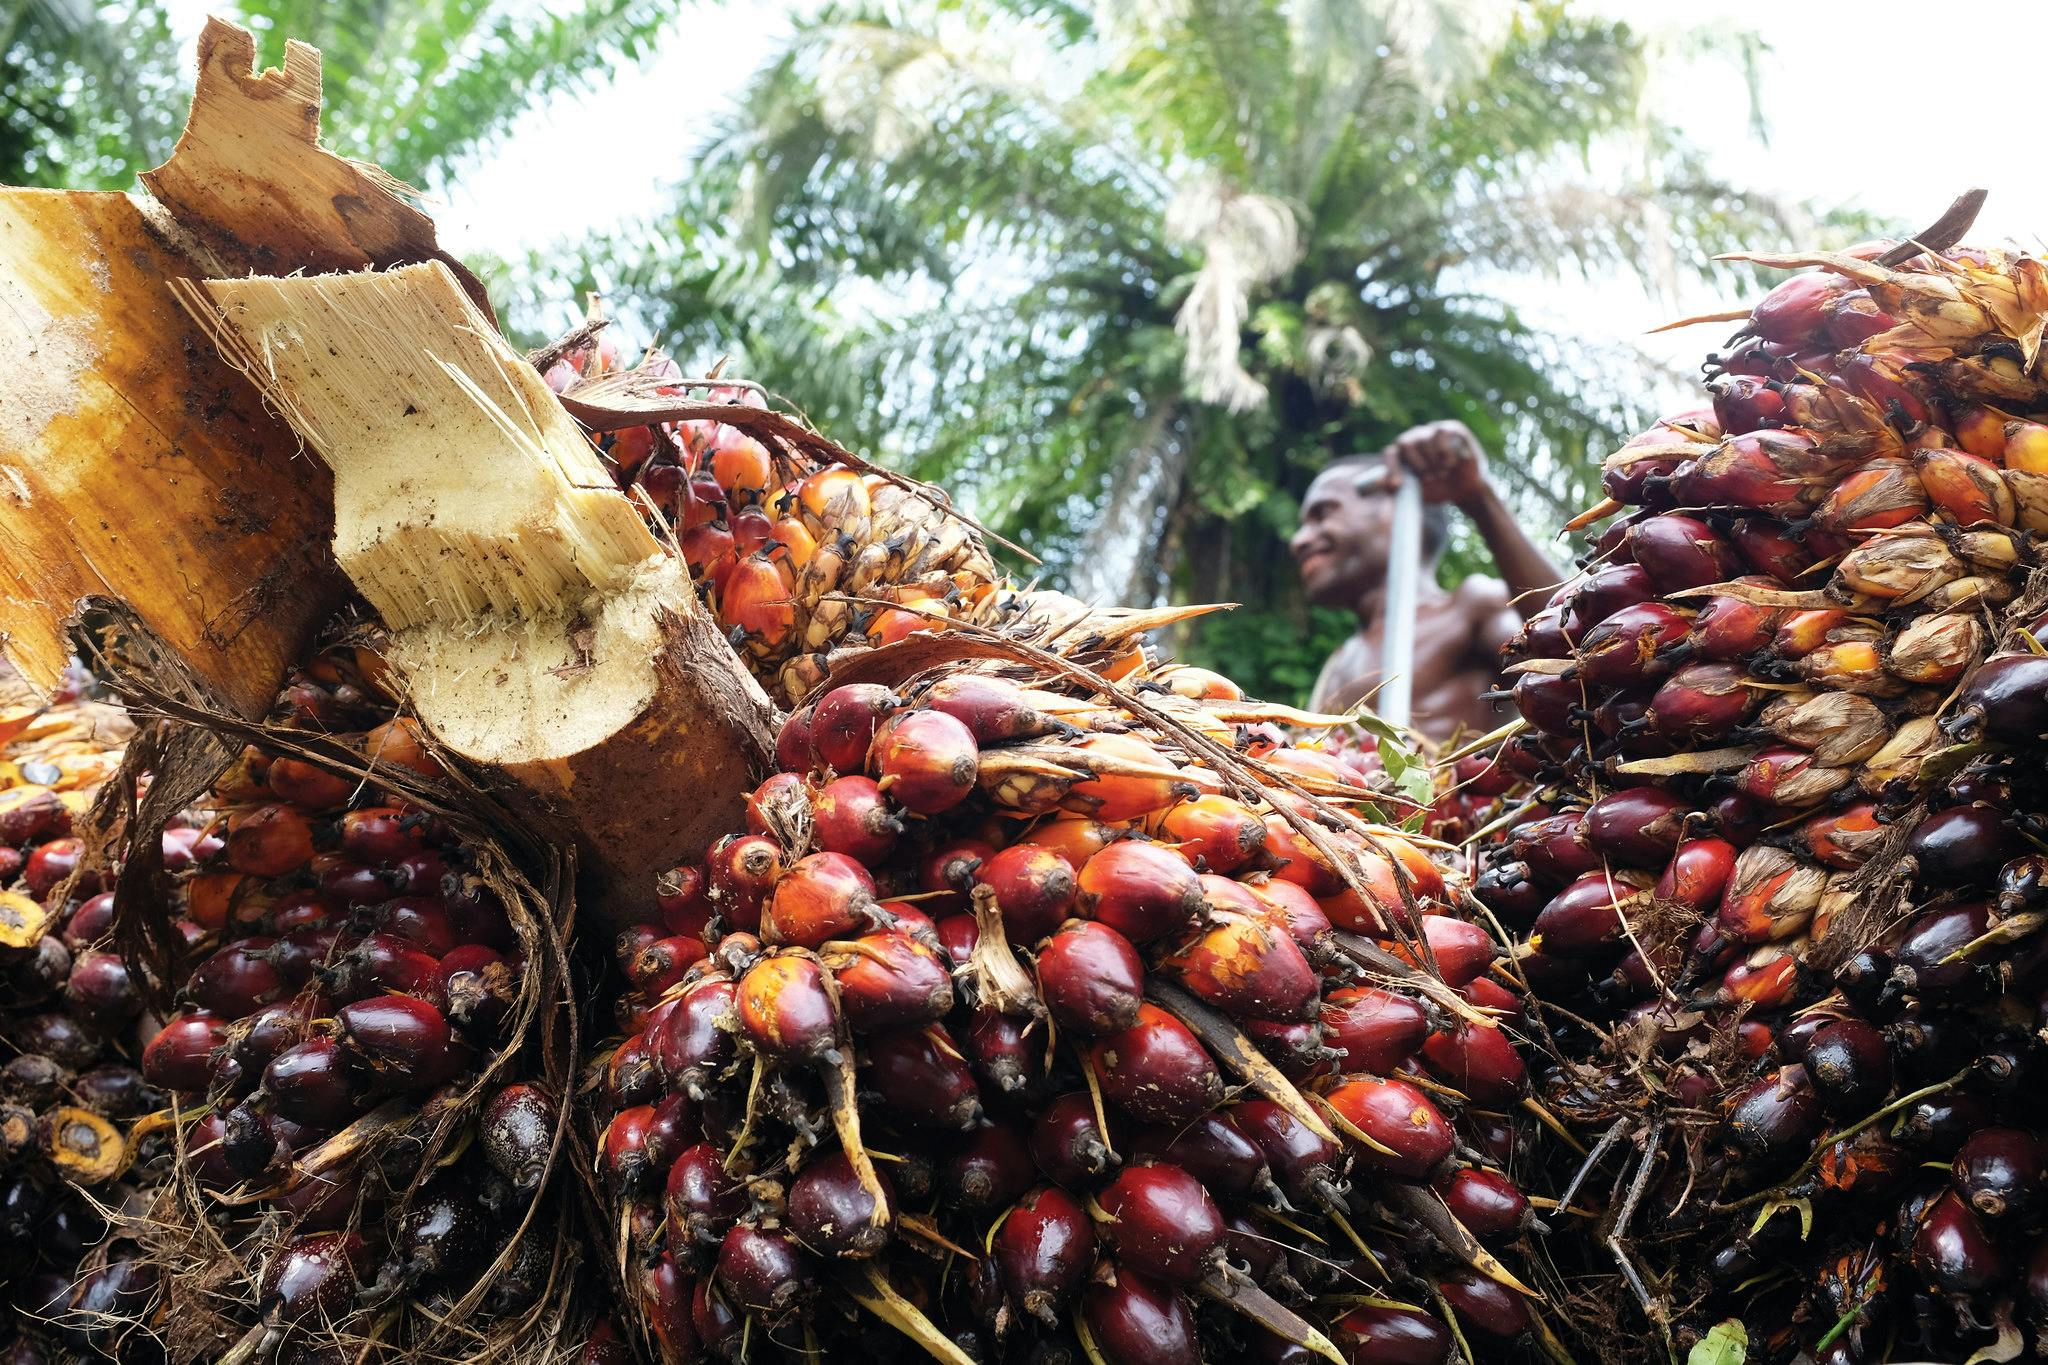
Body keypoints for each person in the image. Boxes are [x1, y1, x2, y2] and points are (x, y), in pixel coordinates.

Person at [1289, 420, 1561, 740]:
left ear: (1392, 507)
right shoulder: (1338, 662)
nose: (1299, 541)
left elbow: (1574, 651)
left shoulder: (1472, 608)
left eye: (1323, 514)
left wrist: (1479, 499)